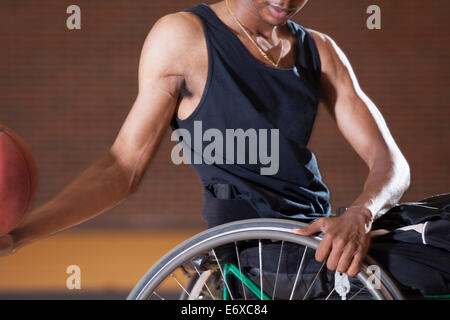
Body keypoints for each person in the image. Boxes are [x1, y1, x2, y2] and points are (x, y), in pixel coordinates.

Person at [0, 0, 411, 281]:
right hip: (255, 247)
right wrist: (20, 236)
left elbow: (390, 161)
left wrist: (360, 214)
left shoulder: (319, 50)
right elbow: (122, 167)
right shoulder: (183, 37)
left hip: (319, 232)